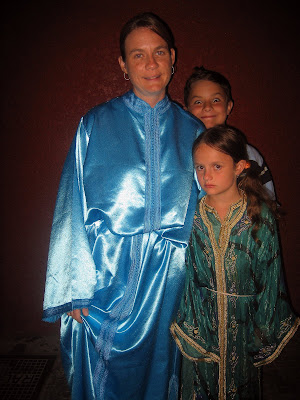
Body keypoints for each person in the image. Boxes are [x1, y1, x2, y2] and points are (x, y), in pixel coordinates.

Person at [42, 12, 204, 400]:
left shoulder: (194, 132)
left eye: (159, 53)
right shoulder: (95, 124)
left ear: (173, 58)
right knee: (100, 375)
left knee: (160, 372)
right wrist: (73, 287)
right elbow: (70, 205)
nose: (151, 64)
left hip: (169, 282)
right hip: (103, 277)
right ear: (123, 65)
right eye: (138, 55)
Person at [170, 125, 299, 399]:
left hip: (244, 325)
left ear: (240, 166)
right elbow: (188, 275)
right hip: (203, 322)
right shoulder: (191, 217)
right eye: (200, 167)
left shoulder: (259, 217)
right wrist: (195, 325)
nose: (207, 176)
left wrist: (262, 332)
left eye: (217, 166)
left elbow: (271, 276)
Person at [184, 66, 276, 200]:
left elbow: (268, 202)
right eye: (198, 102)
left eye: (216, 100)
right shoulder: (181, 154)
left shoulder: (248, 154)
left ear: (228, 107)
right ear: (186, 111)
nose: (207, 107)